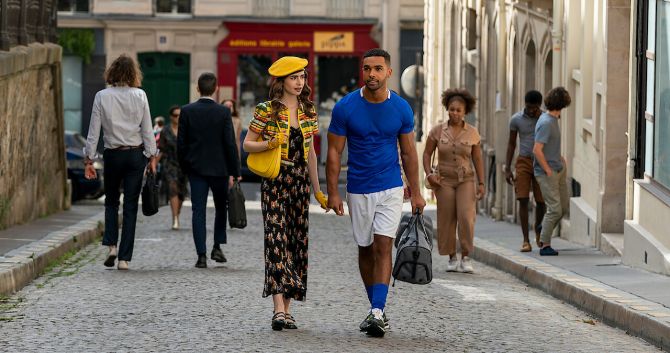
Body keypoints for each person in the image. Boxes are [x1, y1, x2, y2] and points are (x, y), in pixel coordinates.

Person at [327, 48, 426, 338]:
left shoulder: (401, 108)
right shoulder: (346, 107)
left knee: (384, 246)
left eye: (378, 69)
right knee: (366, 248)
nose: (372, 74)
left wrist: (417, 191)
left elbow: (408, 152)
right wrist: (333, 193)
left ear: (389, 72)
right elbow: (334, 151)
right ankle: (375, 306)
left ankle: (377, 311)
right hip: (358, 187)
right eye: (367, 68)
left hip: (391, 186)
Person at [243, 56, 328, 331]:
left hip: (300, 181)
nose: (300, 82)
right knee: (275, 239)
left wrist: (318, 189)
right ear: (281, 81)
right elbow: (247, 144)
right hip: (276, 181)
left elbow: (312, 153)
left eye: (302, 77)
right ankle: (278, 308)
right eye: (294, 78)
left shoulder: (309, 110)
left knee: (295, 242)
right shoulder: (266, 110)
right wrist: (270, 142)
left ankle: (288, 310)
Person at [83, 54, 158, 271]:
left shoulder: (102, 96)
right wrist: (152, 156)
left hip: (113, 154)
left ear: (112, 73)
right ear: (134, 73)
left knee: (111, 201)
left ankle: (111, 247)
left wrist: (89, 159)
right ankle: (124, 259)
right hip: (135, 155)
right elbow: (147, 129)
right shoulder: (140, 95)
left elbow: (93, 131)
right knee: (131, 206)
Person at [177, 73, 240, 268]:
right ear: (216, 89)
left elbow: (181, 143)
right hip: (219, 169)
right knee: (221, 208)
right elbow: (230, 143)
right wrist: (234, 170)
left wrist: (184, 166)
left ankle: (201, 255)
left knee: (198, 211)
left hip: (196, 169)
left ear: (198, 88)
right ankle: (217, 245)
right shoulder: (223, 112)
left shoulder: (187, 111)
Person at [423, 88, 485, 274]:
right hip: (444, 181)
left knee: (466, 217)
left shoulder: (472, 133)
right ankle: (451, 256)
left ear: (465, 111)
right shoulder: (437, 131)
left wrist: (481, 183)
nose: (455, 113)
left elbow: (478, 159)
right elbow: (426, 154)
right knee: (447, 218)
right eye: (451, 109)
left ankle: (466, 256)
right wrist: (428, 174)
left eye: (458, 110)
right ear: (447, 109)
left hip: (466, 179)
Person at [504, 90, 546, 252]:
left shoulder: (544, 119)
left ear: (539, 106)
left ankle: (538, 229)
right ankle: (525, 240)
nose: (531, 110)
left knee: (541, 201)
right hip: (523, 161)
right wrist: (507, 168)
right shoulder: (516, 120)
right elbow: (511, 144)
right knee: (522, 198)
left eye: (534, 108)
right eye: (528, 107)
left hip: (540, 162)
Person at [533, 86, 572, 256]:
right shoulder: (547, 123)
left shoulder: (552, 119)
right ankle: (544, 245)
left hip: (558, 168)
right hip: (547, 173)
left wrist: (560, 157)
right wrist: (547, 169)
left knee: (562, 208)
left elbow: (549, 146)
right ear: (562, 104)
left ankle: (544, 227)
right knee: (555, 209)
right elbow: (537, 149)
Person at [159, 105, 188, 230]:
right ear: (171, 117)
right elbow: (161, 149)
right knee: (172, 188)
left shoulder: (187, 130)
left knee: (181, 193)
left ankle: (177, 214)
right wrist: (154, 164)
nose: (178, 118)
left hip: (184, 165)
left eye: (180, 115)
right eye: (175, 115)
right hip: (169, 163)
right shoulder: (165, 131)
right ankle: (175, 218)